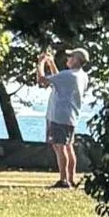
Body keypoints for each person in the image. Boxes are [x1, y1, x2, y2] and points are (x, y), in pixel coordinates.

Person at [40, 44, 90, 189]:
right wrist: (51, 63)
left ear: (76, 60)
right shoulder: (81, 76)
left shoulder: (69, 75)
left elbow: (42, 80)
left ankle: (63, 180)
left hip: (58, 116)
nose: (68, 59)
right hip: (71, 116)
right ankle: (71, 178)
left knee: (59, 147)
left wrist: (41, 63)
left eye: (70, 56)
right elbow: (57, 79)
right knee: (68, 147)